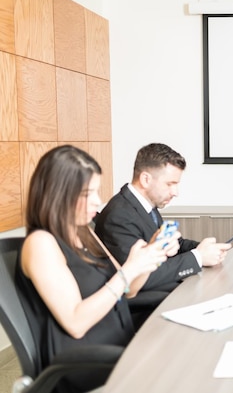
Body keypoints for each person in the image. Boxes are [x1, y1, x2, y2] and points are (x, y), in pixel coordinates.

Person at [17, 145, 173, 393]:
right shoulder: (40, 243)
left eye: (96, 191)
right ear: (59, 194)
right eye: (87, 193)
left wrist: (148, 258)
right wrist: (128, 272)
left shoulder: (85, 231)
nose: (98, 201)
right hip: (89, 363)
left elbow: (129, 290)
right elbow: (76, 322)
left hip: (120, 345)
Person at [95, 143, 231, 293]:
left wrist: (204, 249)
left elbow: (172, 245)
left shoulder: (145, 205)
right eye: (170, 184)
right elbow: (139, 278)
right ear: (146, 179)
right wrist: (198, 257)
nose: (175, 192)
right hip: (147, 306)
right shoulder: (119, 216)